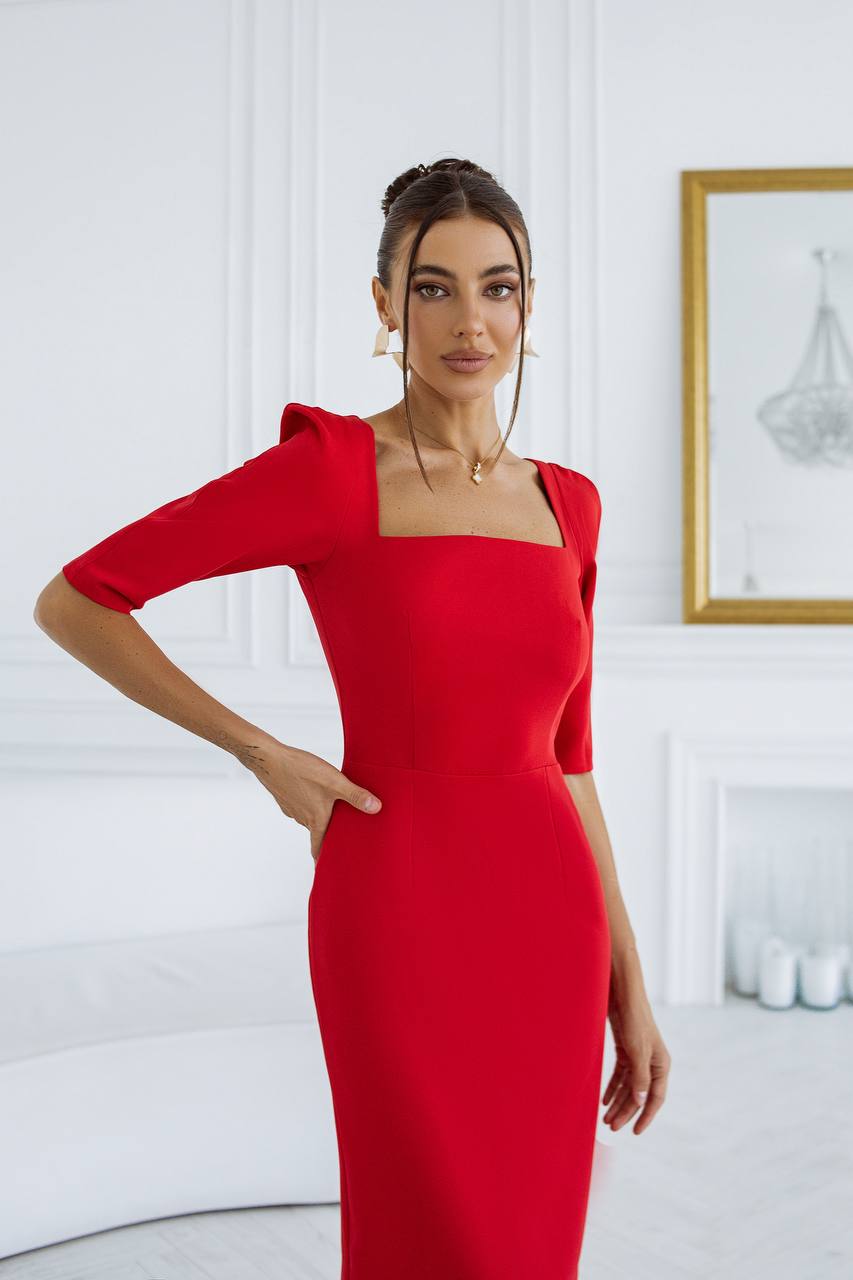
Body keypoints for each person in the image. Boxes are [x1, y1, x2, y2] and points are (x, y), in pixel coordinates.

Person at [34, 157, 670, 1279]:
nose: (469, 319)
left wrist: (629, 984)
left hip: (550, 921)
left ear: (530, 303)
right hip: (401, 905)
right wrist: (263, 753)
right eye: (432, 287)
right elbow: (80, 596)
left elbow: (571, 759)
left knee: (530, 1246)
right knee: (429, 1233)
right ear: (384, 305)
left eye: (497, 286)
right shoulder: (333, 469)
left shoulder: (569, 503)